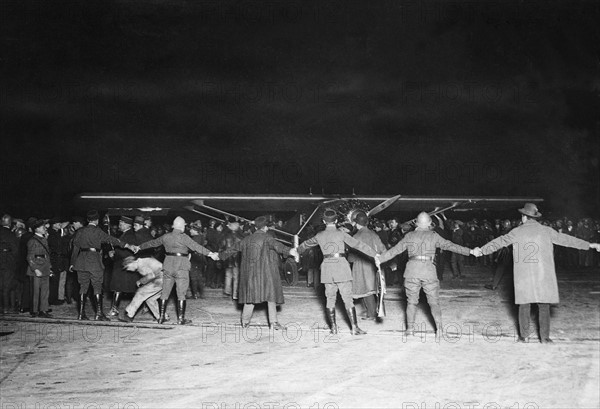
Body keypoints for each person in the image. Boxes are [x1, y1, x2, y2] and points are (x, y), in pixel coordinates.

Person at [476, 203, 600, 343]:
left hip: (524, 276)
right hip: (543, 275)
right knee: (544, 306)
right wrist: (590, 245)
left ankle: (524, 337)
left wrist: (481, 250)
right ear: (535, 218)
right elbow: (567, 240)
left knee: (524, 305)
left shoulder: (516, 232)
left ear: (524, 217)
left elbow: (499, 242)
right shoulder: (547, 231)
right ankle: (545, 338)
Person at [377, 212, 476, 340]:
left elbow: (395, 250)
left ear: (416, 223)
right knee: (434, 303)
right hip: (428, 271)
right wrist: (471, 251)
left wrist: (380, 259)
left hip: (412, 271)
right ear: (430, 223)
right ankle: (439, 330)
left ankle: (410, 330)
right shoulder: (434, 235)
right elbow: (451, 246)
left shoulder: (409, 236)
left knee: (411, 302)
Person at [297, 209, 378, 336]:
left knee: (330, 299)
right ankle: (354, 327)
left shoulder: (319, 235)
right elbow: (358, 245)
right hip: (341, 268)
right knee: (347, 299)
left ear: (324, 221)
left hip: (327, 269)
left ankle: (333, 328)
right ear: (336, 221)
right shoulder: (342, 234)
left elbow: (305, 245)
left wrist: (296, 251)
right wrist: (375, 254)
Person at [133, 216, 216, 325]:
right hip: (181, 266)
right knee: (181, 293)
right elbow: (196, 247)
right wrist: (211, 254)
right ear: (182, 226)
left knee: (165, 292)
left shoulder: (166, 236)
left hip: (168, 265)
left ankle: (161, 317)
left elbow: (152, 243)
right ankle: (181, 319)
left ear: (173, 226)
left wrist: (139, 247)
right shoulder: (184, 237)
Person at [218, 216, 297, 329]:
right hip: (266, 273)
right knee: (271, 297)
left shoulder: (246, 239)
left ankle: (245, 322)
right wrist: (290, 251)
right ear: (265, 228)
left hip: (250, 274)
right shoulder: (267, 238)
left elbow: (231, 250)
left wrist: (218, 256)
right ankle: (273, 323)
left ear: (255, 227)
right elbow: (278, 247)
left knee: (250, 298)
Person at [70, 210, 135, 321]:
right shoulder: (97, 231)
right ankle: (99, 314)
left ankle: (81, 314)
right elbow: (112, 240)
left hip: (81, 262)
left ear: (87, 220)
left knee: (83, 287)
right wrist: (127, 245)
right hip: (94, 261)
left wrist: (72, 263)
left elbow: (75, 248)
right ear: (96, 220)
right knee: (97, 287)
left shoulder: (80, 231)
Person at [348, 212, 386, 321]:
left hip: (361, 265)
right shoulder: (374, 234)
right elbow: (382, 249)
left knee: (365, 289)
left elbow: (352, 255)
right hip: (375, 264)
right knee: (374, 289)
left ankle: (371, 314)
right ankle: (375, 311)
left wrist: (350, 260)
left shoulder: (356, 236)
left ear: (356, 223)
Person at [108, 216, 140, 317]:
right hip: (123, 265)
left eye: (121, 223)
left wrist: (114, 254)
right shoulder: (126, 234)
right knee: (125, 288)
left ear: (127, 225)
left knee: (119, 288)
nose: (119, 226)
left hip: (124, 266)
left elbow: (127, 252)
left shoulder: (129, 235)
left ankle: (115, 309)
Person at [118, 256, 165, 323]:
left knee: (140, 293)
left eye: (128, 267)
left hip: (160, 279)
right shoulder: (143, 262)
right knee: (150, 299)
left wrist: (141, 281)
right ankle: (161, 316)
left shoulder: (141, 264)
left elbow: (151, 275)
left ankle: (129, 315)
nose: (128, 269)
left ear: (133, 262)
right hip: (166, 279)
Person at [26, 219, 53, 318]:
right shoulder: (32, 241)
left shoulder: (44, 239)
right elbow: (29, 257)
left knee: (45, 291)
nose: (45, 228)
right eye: (42, 227)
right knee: (35, 291)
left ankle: (44, 310)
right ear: (36, 229)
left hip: (45, 267)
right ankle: (34, 310)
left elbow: (47, 255)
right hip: (36, 268)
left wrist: (49, 267)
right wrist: (35, 269)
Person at [1, 214, 19, 314]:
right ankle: (7, 308)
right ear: (10, 223)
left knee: (1, 285)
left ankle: (3, 307)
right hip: (8, 262)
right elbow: (15, 250)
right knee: (8, 286)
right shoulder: (11, 234)